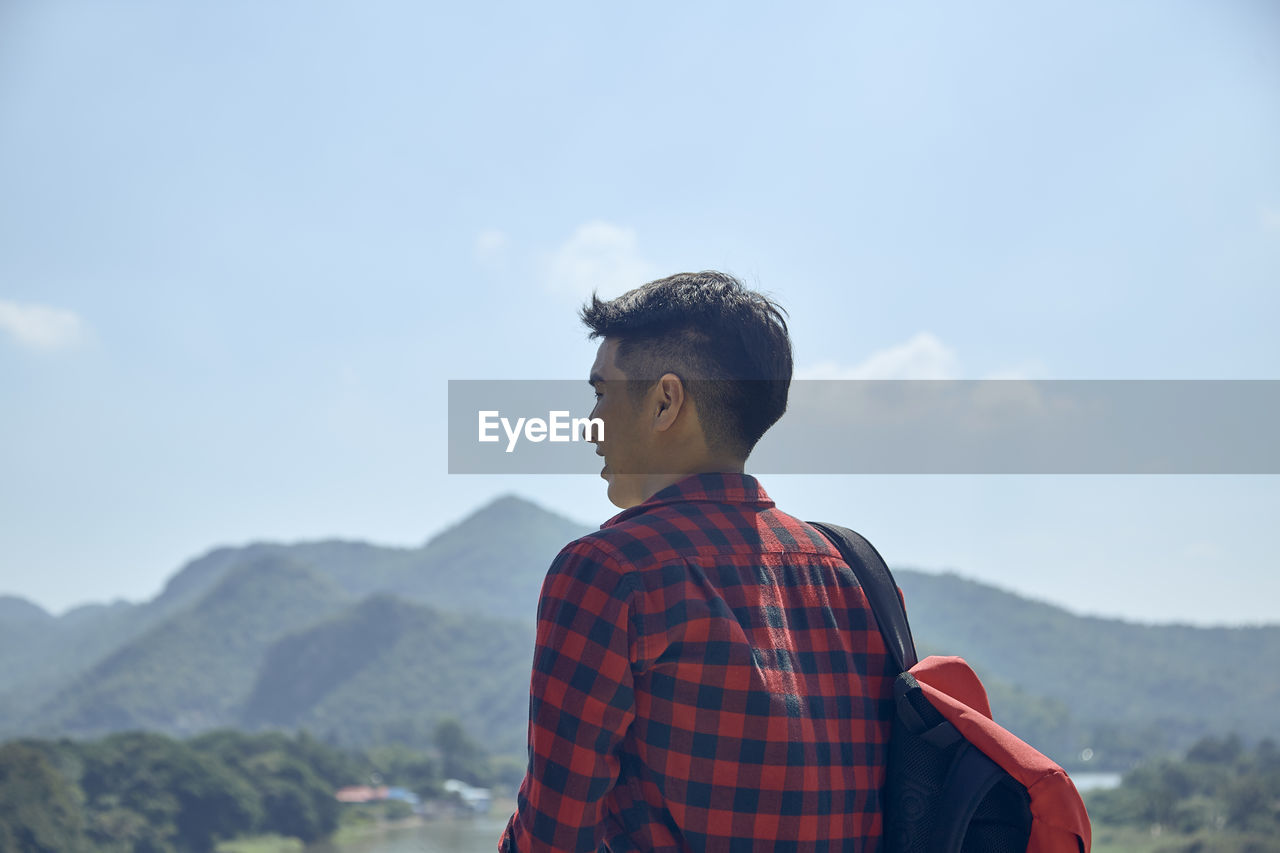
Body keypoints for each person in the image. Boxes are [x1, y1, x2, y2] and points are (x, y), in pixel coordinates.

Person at [500, 271, 897, 852]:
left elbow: (554, 834)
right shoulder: (851, 571)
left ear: (665, 401)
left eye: (602, 392)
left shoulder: (609, 571)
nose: (590, 426)